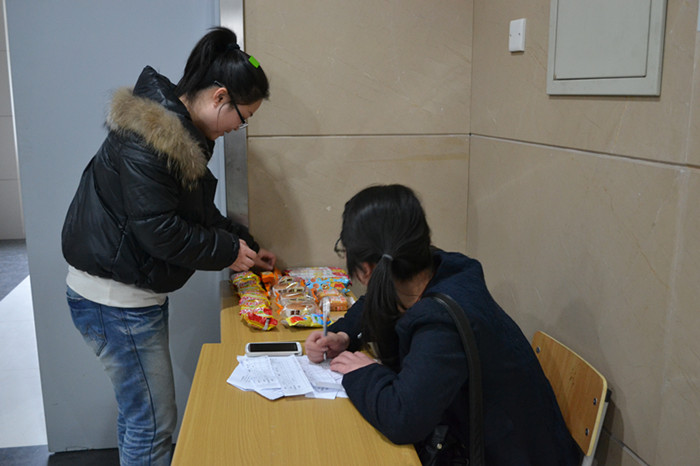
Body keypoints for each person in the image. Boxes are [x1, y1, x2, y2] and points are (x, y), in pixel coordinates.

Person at [61, 27, 275, 465]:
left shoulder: (179, 135)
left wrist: (244, 248)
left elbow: (195, 213)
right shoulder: (150, 139)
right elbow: (159, 231)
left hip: (127, 296)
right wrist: (228, 252)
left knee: (142, 417)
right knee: (152, 424)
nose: (240, 128)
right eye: (244, 117)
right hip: (114, 302)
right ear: (219, 97)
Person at [305, 184, 581, 465]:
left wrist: (363, 372)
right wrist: (343, 335)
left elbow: (403, 419)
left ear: (367, 270)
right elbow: (375, 301)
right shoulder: (441, 269)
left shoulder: (440, 322)